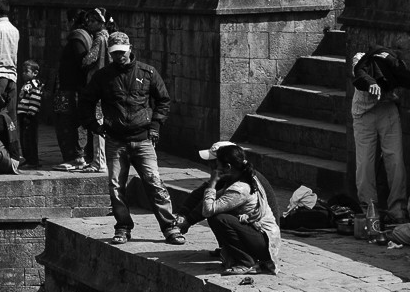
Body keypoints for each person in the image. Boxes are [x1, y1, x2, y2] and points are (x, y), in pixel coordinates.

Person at [83, 32, 185, 245]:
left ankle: (170, 227)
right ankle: (122, 227)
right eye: (114, 53)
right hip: (115, 139)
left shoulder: (148, 73)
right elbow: (86, 102)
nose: (119, 56)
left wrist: (155, 126)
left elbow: (163, 100)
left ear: (129, 48)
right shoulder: (102, 76)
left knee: (155, 183)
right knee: (116, 186)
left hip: (143, 139)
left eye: (122, 52)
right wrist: (94, 125)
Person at [351, 48, 410, 228]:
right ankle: (369, 209)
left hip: (387, 110)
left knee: (395, 159)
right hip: (363, 115)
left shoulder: (393, 61)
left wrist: (392, 64)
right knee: (365, 163)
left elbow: (408, 78)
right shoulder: (361, 58)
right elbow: (359, 74)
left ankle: (398, 209)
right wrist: (371, 82)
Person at [197, 142, 281, 274]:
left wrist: (212, 183)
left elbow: (207, 210)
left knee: (218, 219)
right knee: (218, 214)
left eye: (217, 165)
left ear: (228, 167)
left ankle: (245, 261)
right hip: (259, 236)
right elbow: (209, 200)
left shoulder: (239, 189)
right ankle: (235, 254)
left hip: (264, 242)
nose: (214, 168)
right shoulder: (240, 178)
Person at [52, 9, 106, 172]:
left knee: (67, 122)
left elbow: (83, 62)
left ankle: (75, 157)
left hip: (71, 89)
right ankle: (80, 155)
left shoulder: (78, 37)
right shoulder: (89, 37)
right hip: (75, 88)